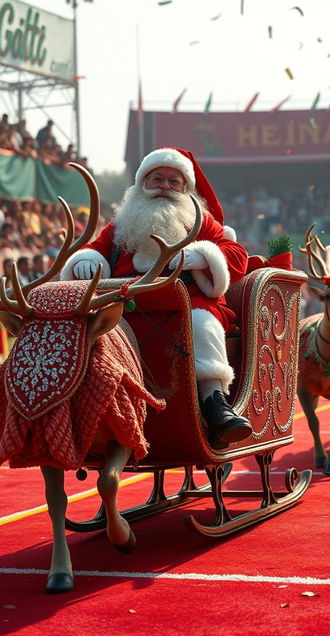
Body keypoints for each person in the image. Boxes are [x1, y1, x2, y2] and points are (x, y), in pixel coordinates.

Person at [61, 147, 252, 448]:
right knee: (95, 334)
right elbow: (97, 248)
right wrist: (87, 260)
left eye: (173, 181)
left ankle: (214, 402)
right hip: (127, 308)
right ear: (142, 183)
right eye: (157, 178)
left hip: (188, 304)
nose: (165, 186)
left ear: (184, 187)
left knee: (203, 324)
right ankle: (93, 405)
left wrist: (202, 257)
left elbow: (237, 255)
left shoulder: (200, 221)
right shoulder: (121, 223)